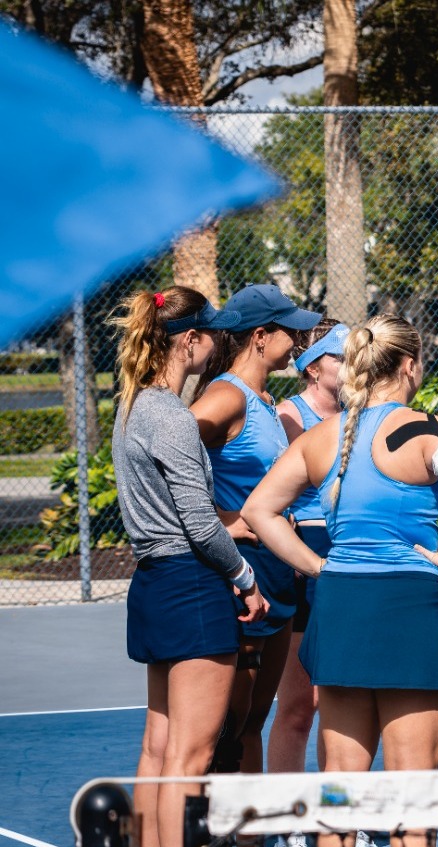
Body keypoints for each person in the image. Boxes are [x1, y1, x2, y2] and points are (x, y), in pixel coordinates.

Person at [243, 314, 438, 847]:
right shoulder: (430, 430)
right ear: (409, 365)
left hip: (340, 607)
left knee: (338, 802)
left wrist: (320, 567)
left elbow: (258, 510)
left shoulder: (320, 438)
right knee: (413, 804)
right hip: (406, 609)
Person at [109, 286, 268, 847]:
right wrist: (244, 579)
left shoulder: (130, 408)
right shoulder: (170, 415)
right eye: (213, 334)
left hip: (154, 582)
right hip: (192, 587)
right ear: (191, 340)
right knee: (192, 753)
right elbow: (200, 525)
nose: (220, 344)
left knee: (160, 744)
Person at [190, 283, 321, 774]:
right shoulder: (226, 395)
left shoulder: (265, 398)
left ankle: (251, 832)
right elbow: (165, 456)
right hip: (245, 579)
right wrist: (223, 521)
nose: (299, 340)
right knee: (225, 729)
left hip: (276, 572)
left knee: (251, 725)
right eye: (291, 331)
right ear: (262, 337)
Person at [268, 319, 349, 782]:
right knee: (300, 704)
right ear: (313, 367)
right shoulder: (287, 417)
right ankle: (293, 818)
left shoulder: (364, 413)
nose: (351, 364)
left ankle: (338, 818)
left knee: (340, 703)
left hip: (348, 553)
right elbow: (269, 499)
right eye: (340, 356)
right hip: (303, 552)